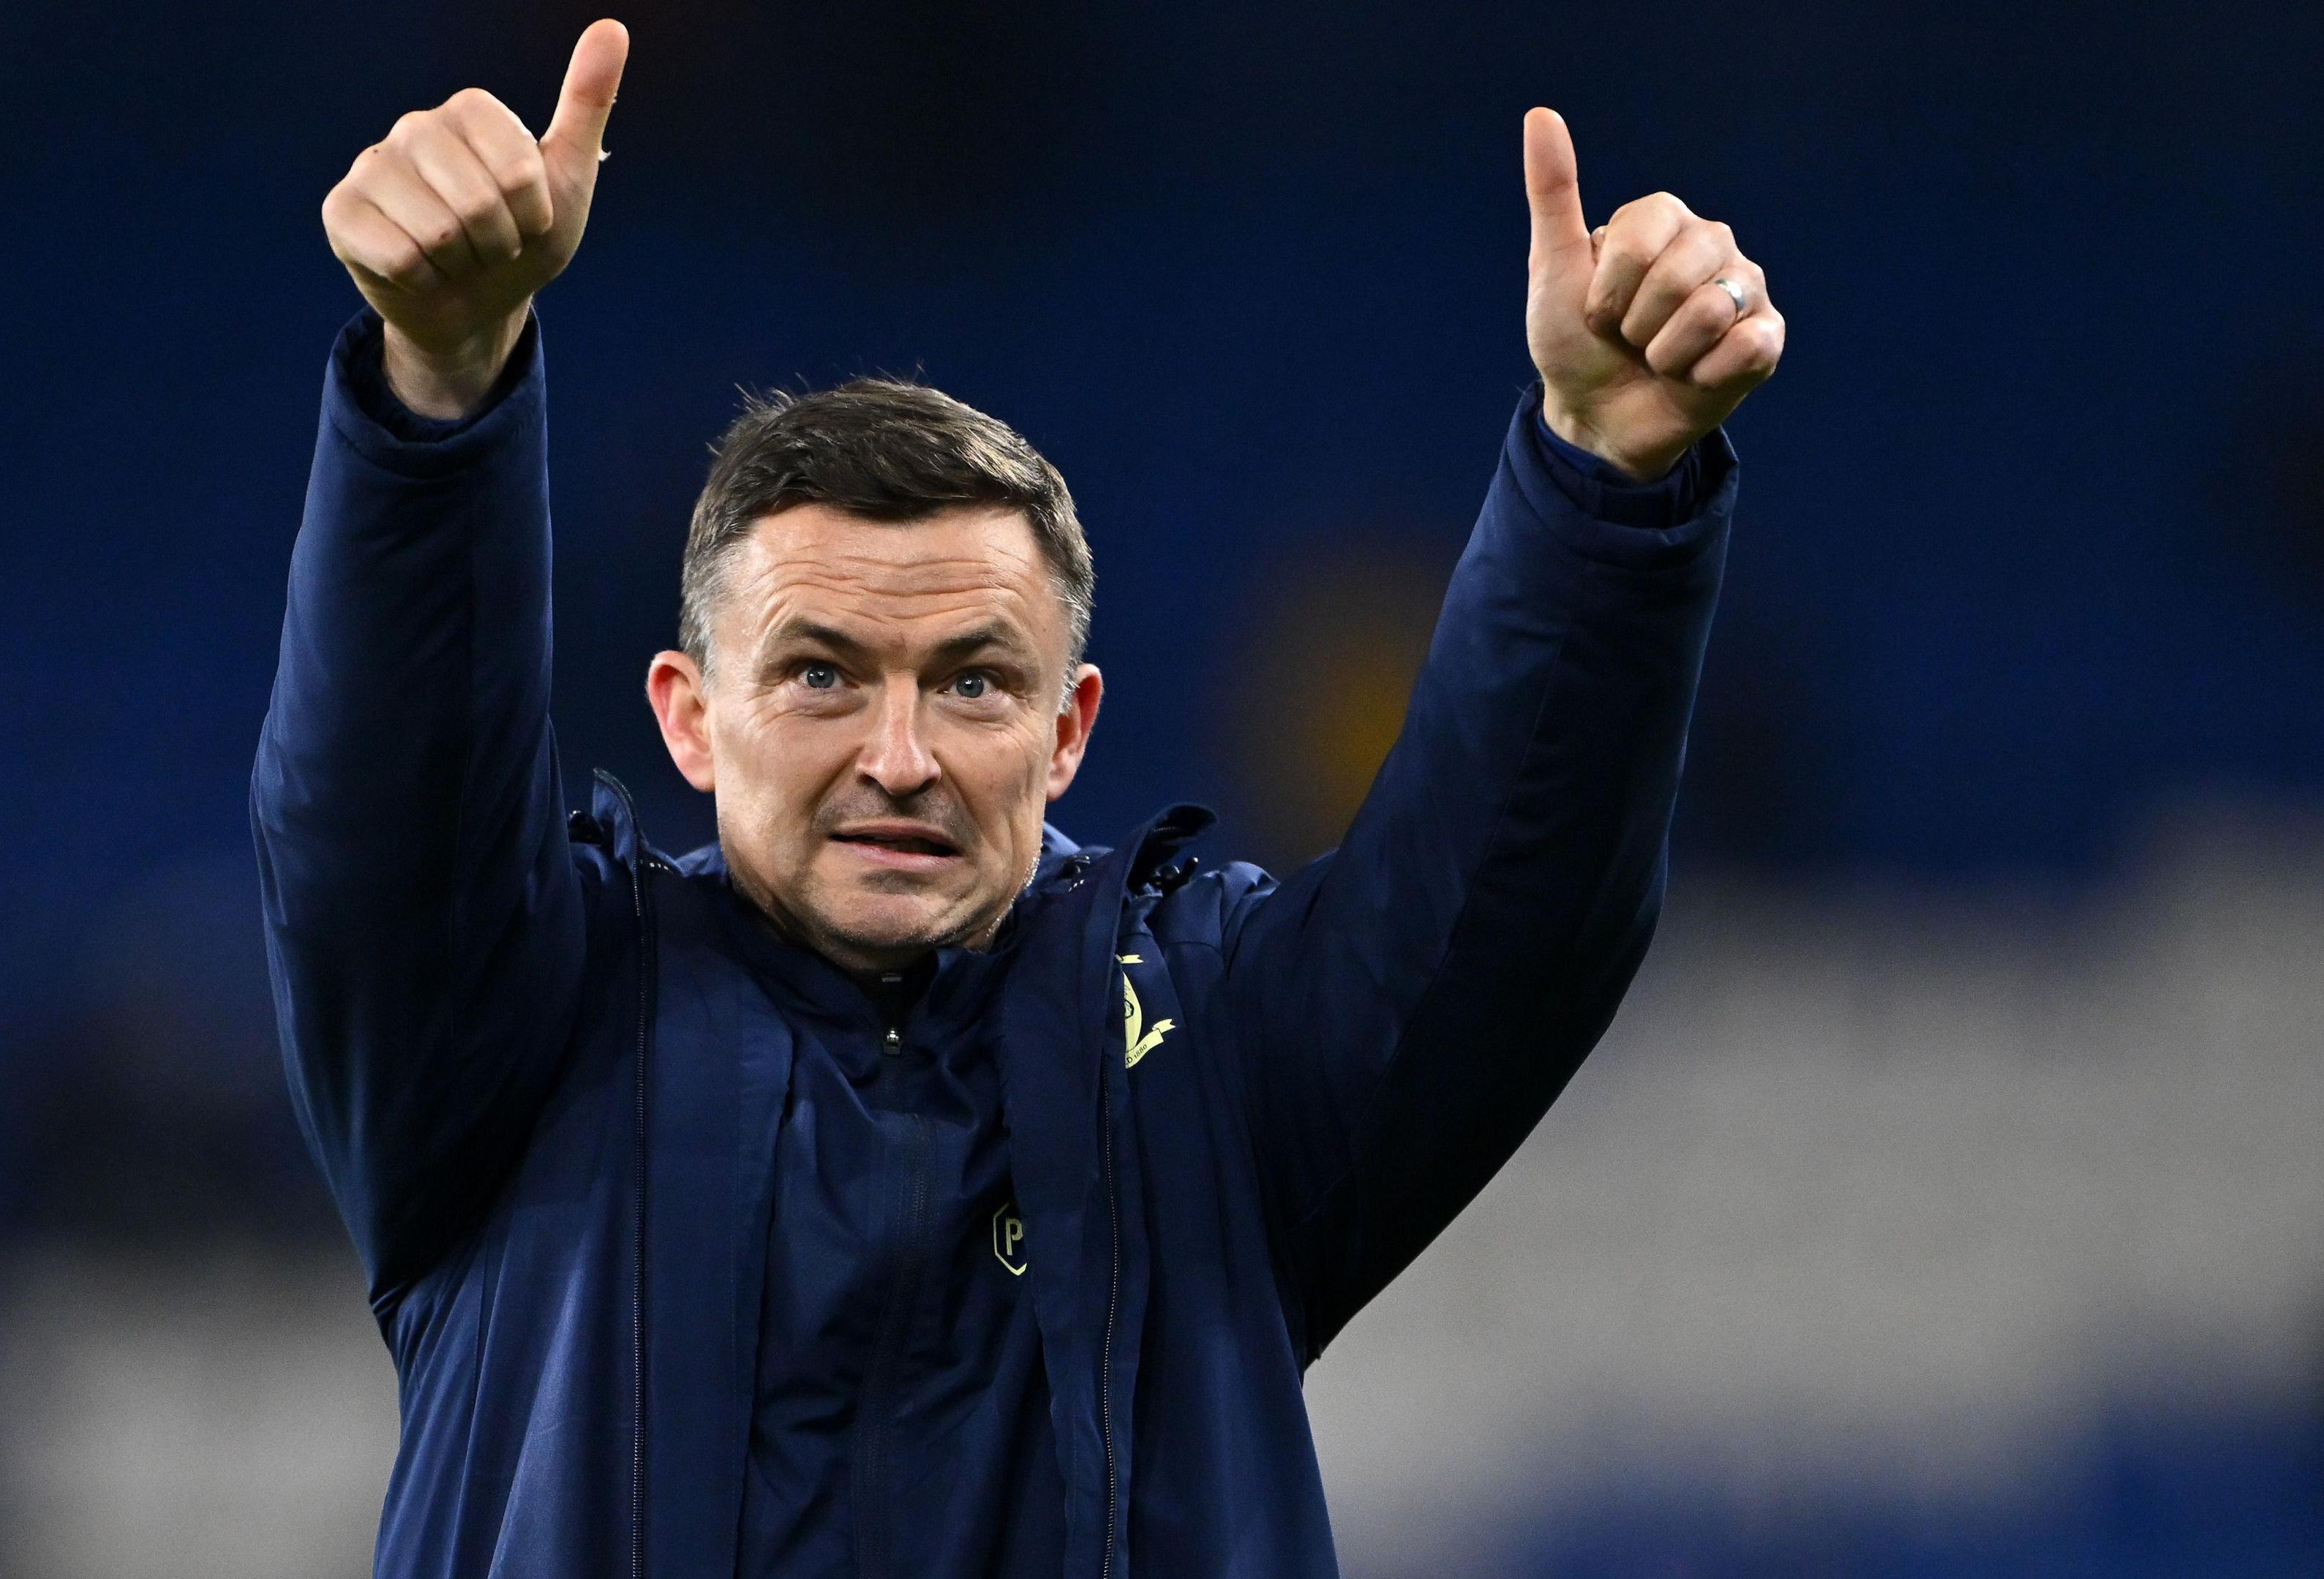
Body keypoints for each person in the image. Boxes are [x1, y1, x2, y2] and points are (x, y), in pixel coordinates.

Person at [252, 18, 1782, 1578]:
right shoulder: (516, 1025)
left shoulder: (1218, 1060)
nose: (900, 755)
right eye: (823, 676)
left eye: (974, 682)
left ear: (1068, 736)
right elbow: (375, 822)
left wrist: (1602, 478)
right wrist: (438, 385)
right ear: (688, 719)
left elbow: (1504, 911)